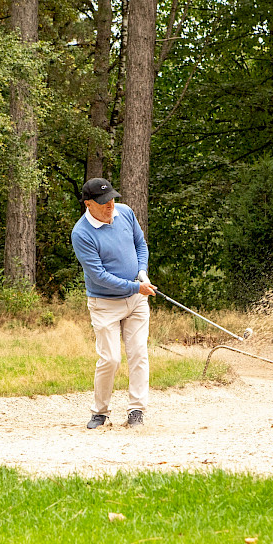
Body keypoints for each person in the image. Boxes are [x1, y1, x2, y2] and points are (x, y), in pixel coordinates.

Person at [71, 177, 156, 429]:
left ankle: (136, 411)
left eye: (111, 199)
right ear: (88, 204)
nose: (110, 205)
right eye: (103, 202)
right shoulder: (81, 233)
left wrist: (142, 271)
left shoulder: (125, 213)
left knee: (139, 353)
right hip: (104, 303)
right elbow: (99, 276)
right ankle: (100, 411)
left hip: (136, 299)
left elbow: (141, 244)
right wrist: (135, 286)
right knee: (110, 359)